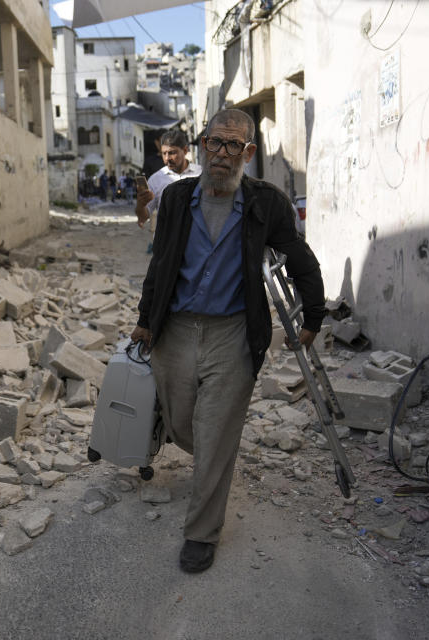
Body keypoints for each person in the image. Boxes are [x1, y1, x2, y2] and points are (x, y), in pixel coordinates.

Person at [130, 109, 326, 574]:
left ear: (248, 152)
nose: (222, 154)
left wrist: (313, 313)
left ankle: (201, 533)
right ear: (202, 145)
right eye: (215, 143)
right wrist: (145, 318)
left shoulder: (266, 202)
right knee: (182, 422)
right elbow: (160, 264)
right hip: (175, 327)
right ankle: (197, 451)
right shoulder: (177, 198)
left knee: (217, 430)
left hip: (234, 330)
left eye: (233, 145)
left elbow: (298, 256)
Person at [135, 130, 200, 232]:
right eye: (163, 153)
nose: (167, 158)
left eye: (172, 153)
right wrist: (141, 203)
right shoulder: (156, 179)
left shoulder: (201, 174)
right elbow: (143, 217)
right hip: (167, 243)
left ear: (185, 150)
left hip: (196, 240)